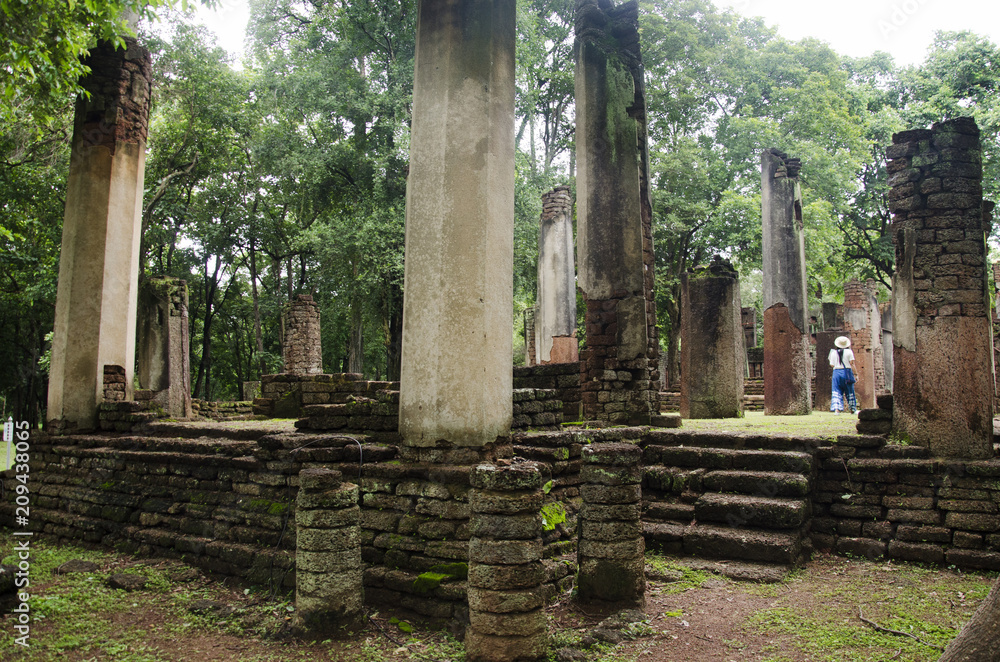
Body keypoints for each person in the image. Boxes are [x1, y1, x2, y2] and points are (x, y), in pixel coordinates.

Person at [829, 336, 857, 414]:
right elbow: (852, 363)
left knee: (836, 390)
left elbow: (831, 365)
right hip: (847, 372)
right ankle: (852, 409)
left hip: (836, 372)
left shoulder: (833, 352)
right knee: (849, 390)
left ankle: (836, 409)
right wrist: (856, 374)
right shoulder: (849, 352)